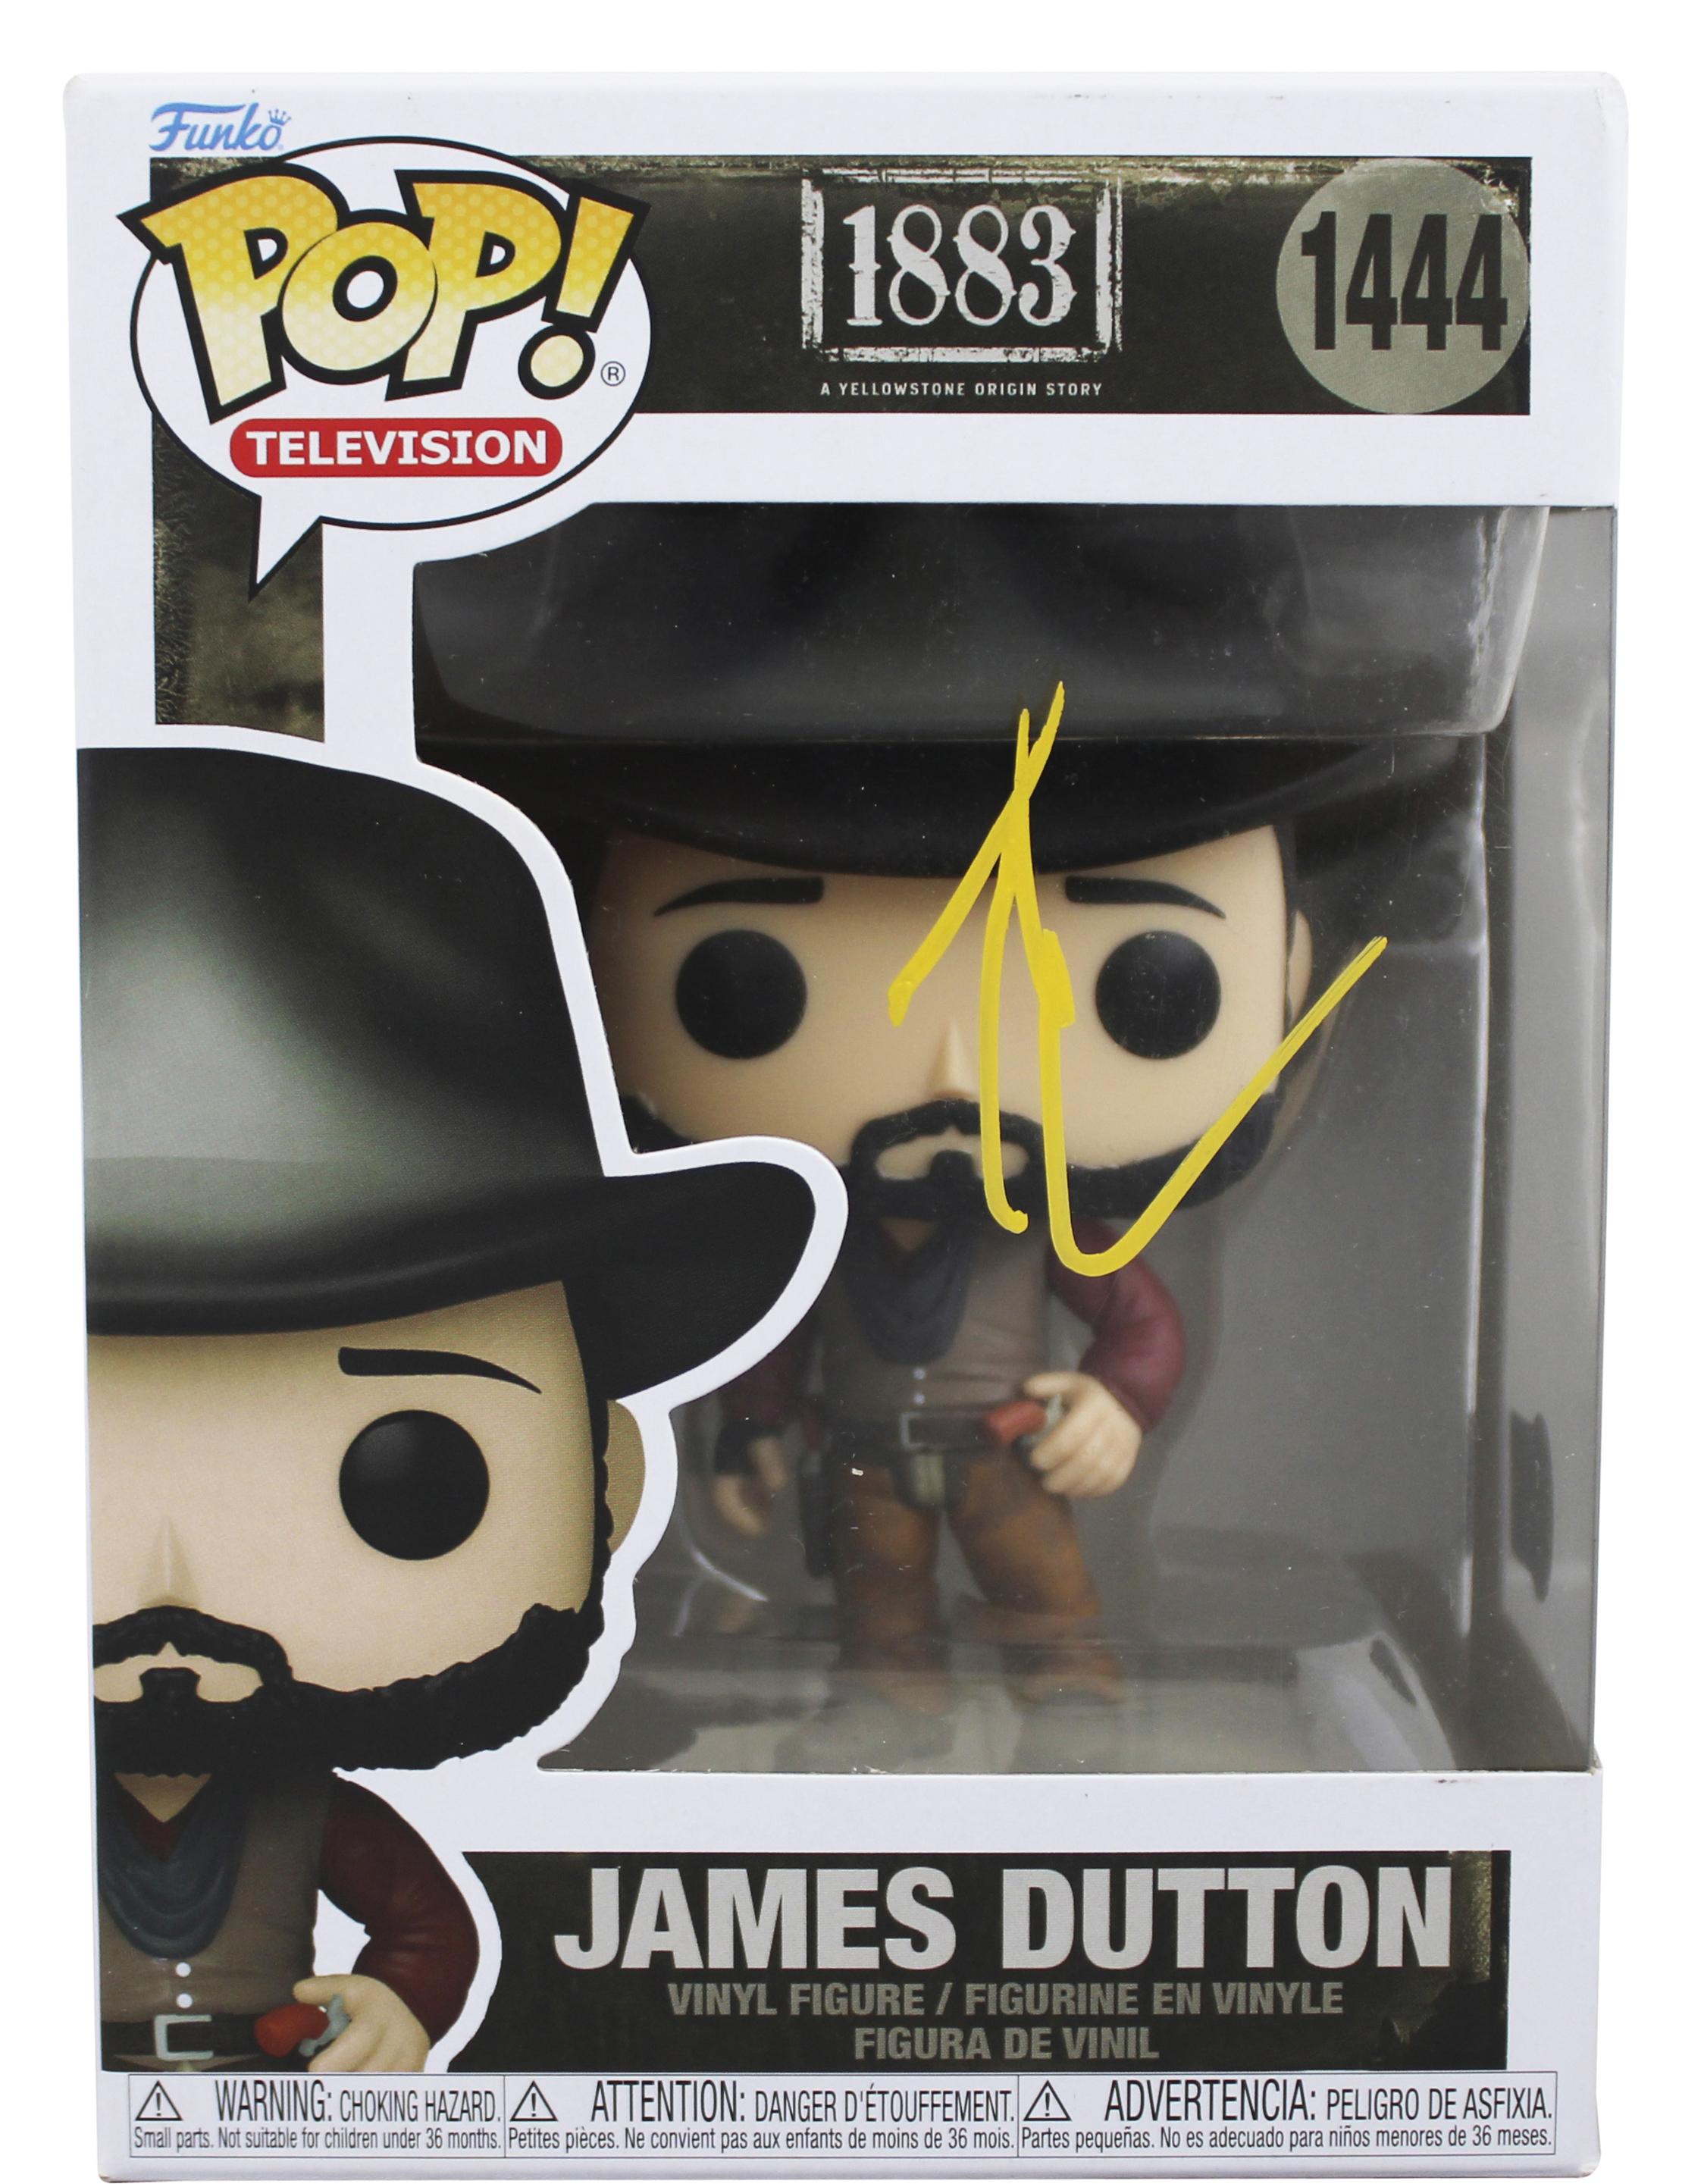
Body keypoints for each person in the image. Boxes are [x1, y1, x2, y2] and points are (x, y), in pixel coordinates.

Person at [416, 503, 1457, 1747]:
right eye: (742, 986)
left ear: (1292, 969)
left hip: (1004, 1451)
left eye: (1149, 983)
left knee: (1042, 1589)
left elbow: (1138, 1318)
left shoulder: (1047, 1224)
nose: (951, 1071)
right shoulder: (821, 1237)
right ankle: (892, 1717)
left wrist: (1118, 1404)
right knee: (881, 1606)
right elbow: (770, 1338)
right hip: (864, 1451)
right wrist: (752, 1433)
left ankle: (1073, 1711)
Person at [84, 744, 823, 2066]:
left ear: (607, 1481)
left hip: (270, 2078)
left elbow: (426, 1924)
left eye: (414, 1482)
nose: (170, 1603)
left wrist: (401, 2001)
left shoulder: (304, 1807)